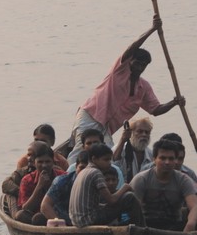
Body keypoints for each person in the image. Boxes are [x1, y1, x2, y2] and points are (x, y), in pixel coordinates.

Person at [69, 16, 184, 152]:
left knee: (108, 155)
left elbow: (156, 110)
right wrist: (152, 30)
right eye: (137, 63)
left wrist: (175, 102)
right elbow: (132, 47)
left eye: (143, 65)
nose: (139, 67)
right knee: (80, 151)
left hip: (106, 128)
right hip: (90, 116)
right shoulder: (119, 71)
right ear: (130, 61)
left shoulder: (144, 87)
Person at [69, 143, 145, 228]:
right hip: (89, 219)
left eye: (110, 160)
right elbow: (111, 200)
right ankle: (141, 230)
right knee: (129, 197)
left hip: (77, 220)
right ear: (94, 159)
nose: (109, 163)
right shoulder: (95, 172)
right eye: (106, 160)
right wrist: (125, 187)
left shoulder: (83, 172)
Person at [130, 138, 197, 231]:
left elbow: (194, 206)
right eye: (162, 158)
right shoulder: (141, 179)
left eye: (171, 158)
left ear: (175, 160)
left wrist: (190, 226)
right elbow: (134, 210)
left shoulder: (184, 180)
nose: (167, 162)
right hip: (146, 224)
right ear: (154, 159)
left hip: (174, 225)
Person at [15, 141, 66, 224]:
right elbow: (25, 208)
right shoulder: (27, 180)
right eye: (40, 162)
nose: (44, 165)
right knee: (25, 215)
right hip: (34, 217)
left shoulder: (63, 176)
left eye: (47, 162)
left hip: (58, 214)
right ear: (34, 163)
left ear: (53, 162)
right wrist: (39, 186)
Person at [41, 149, 89, 225]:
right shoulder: (62, 181)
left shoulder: (98, 181)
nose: (84, 172)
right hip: (63, 220)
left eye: (89, 169)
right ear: (76, 166)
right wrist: (60, 224)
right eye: (82, 168)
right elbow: (45, 206)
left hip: (88, 221)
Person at [114, 118, 154, 183]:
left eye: (147, 132)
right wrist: (122, 139)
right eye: (140, 131)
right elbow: (113, 164)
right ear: (131, 133)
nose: (144, 135)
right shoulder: (121, 149)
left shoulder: (151, 154)